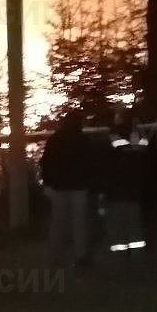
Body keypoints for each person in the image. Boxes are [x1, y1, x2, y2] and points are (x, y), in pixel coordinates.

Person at [40, 111, 95, 265]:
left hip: (59, 186)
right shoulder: (83, 139)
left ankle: (55, 256)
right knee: (79, 222)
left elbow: (46, 163)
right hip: (79, 186)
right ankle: (81, 256)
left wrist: (47, 183)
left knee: (58, 221)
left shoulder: (55, 139)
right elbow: (90, 163)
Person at [104, 125, 149, 254]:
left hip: (118, 195)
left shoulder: (117, 152)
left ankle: (121, 251)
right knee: (134, 222)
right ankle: (136, 253)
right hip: (134, 194)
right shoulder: (140, 151)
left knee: (119, 223)